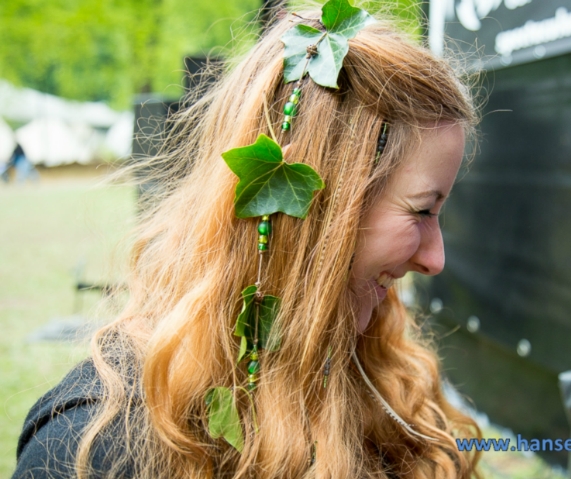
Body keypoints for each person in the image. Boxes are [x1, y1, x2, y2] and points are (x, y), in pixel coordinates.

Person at [13, 5, 481, 479]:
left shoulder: (379, 373)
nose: (435, 259)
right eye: (422, 210)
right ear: (321, 210)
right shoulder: (91, 445)